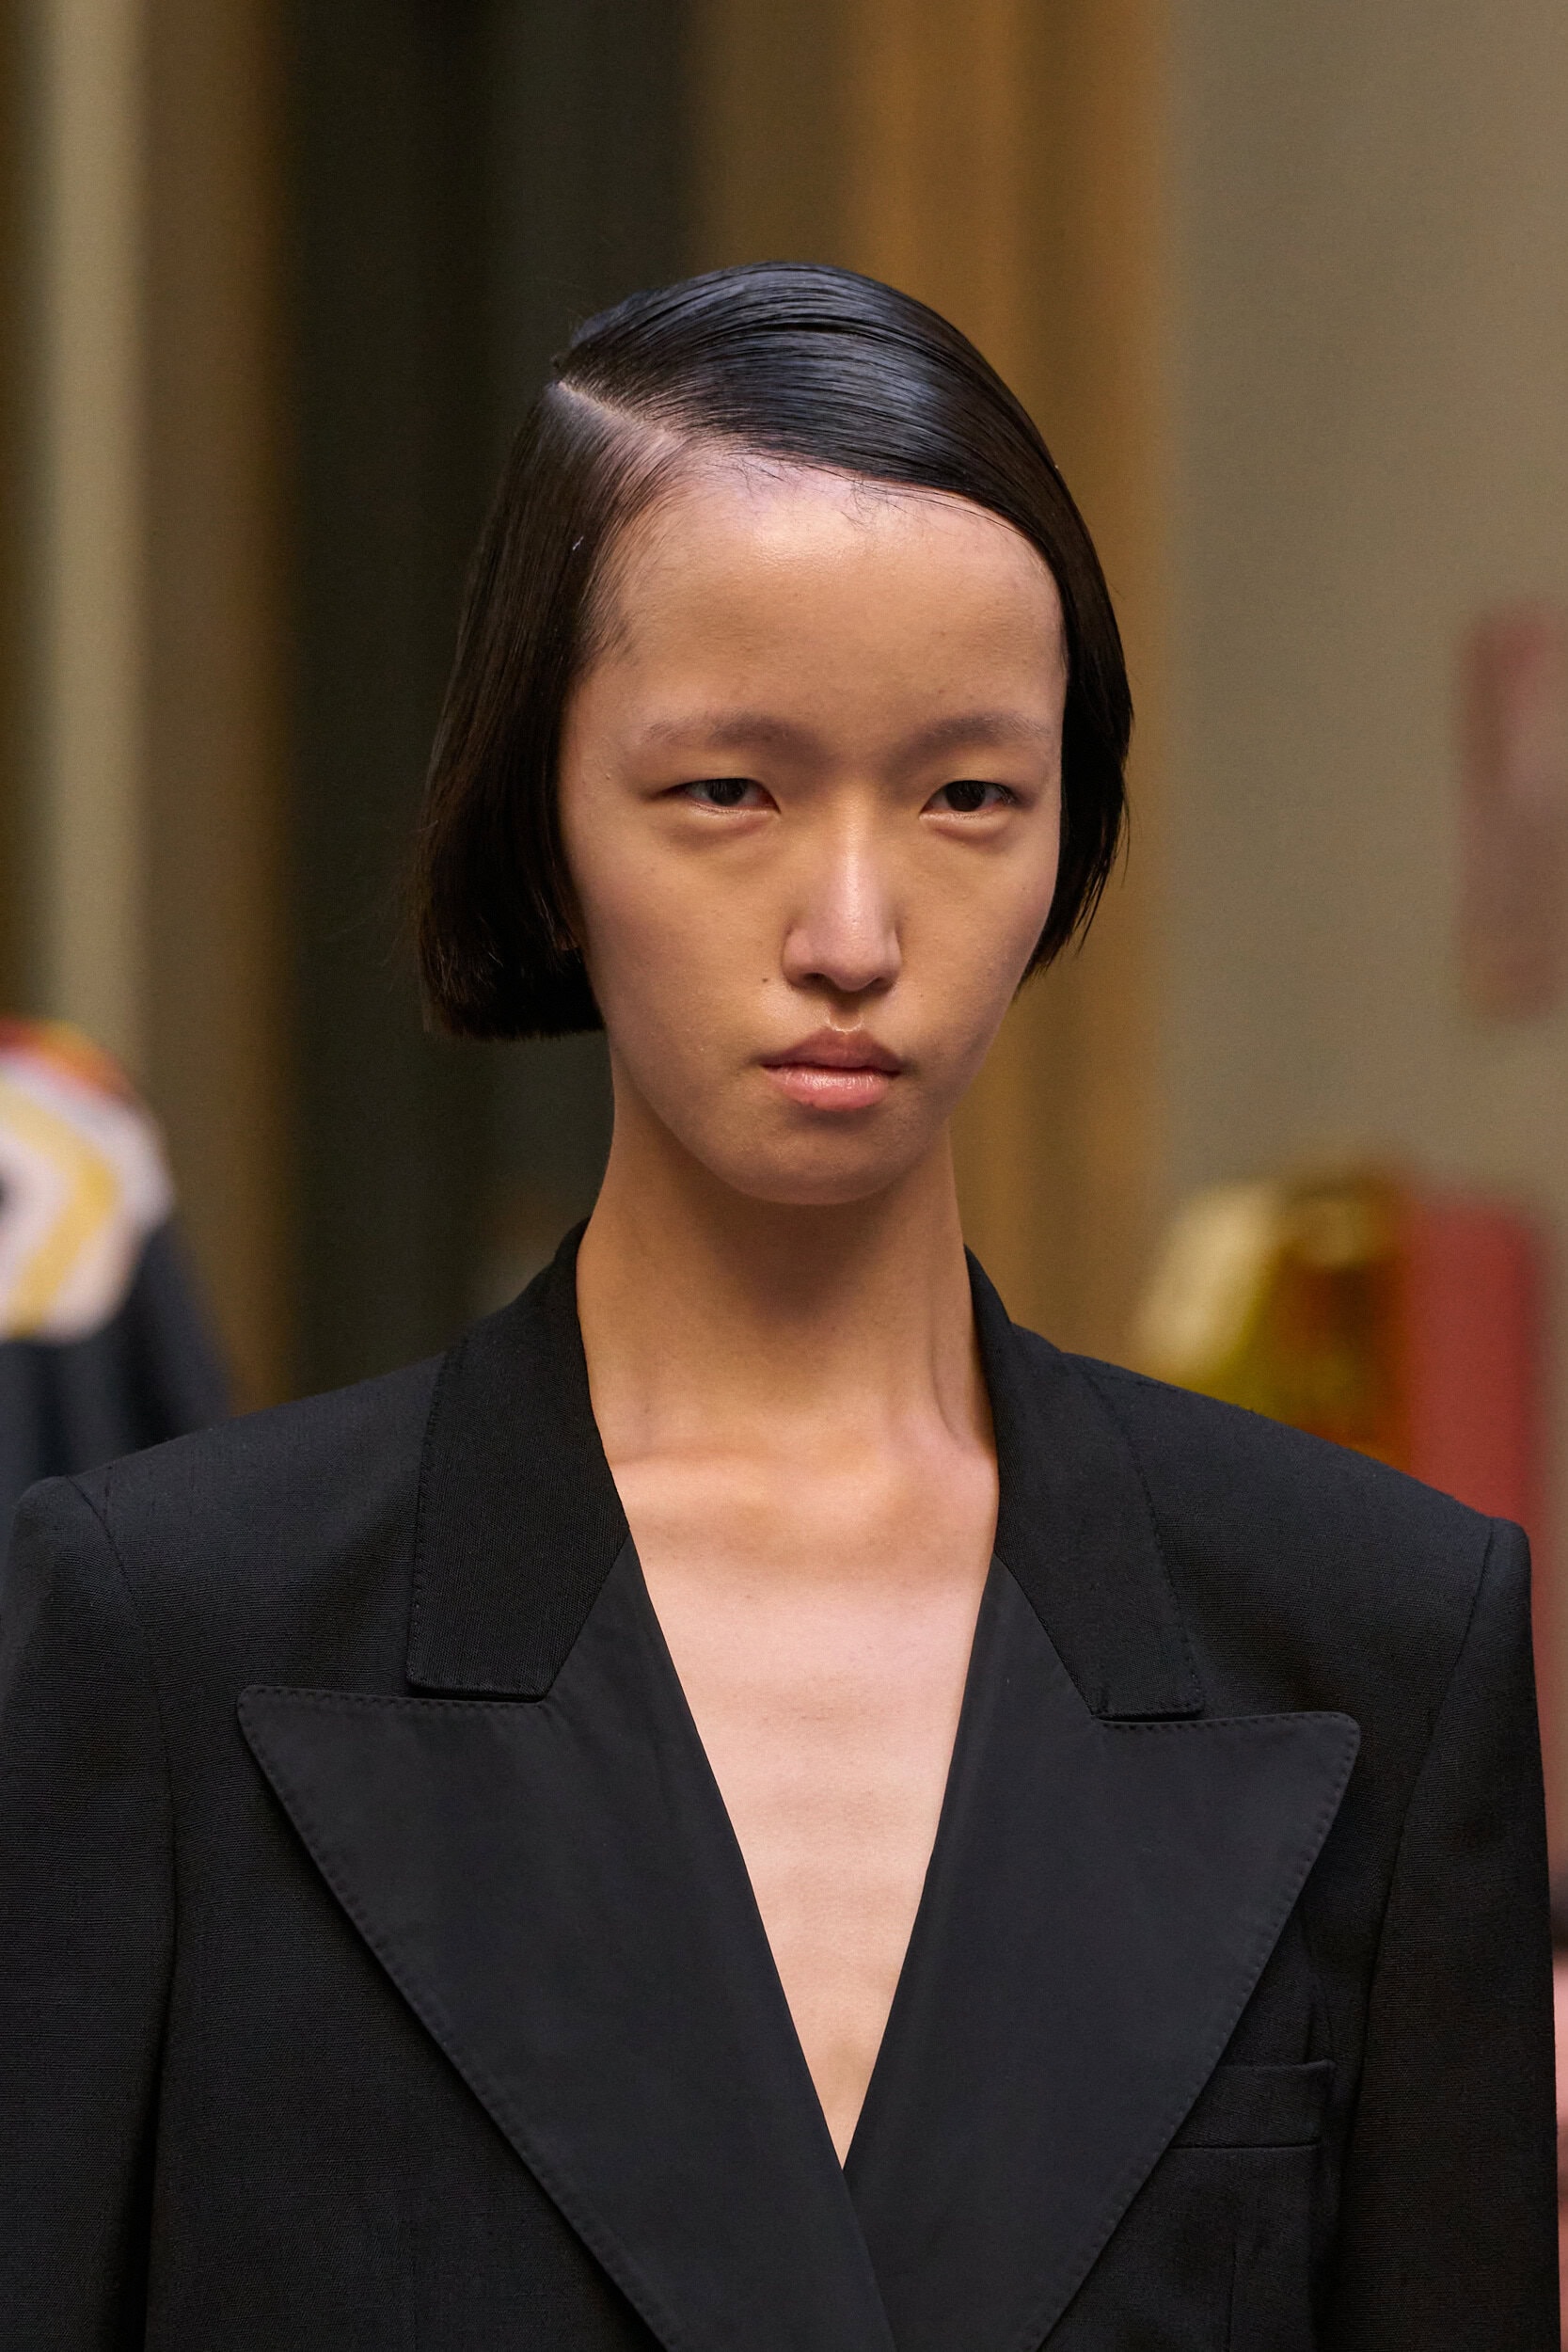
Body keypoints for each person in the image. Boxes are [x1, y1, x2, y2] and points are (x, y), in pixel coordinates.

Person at [0, 263, 1555, 2350]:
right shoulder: (177, 1631)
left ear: (1070, 827)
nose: (852, 928)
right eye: (728, 790)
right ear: (542, 817)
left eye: (968, 794)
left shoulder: (1377, 1637)